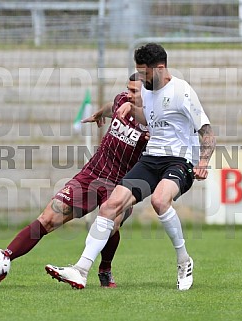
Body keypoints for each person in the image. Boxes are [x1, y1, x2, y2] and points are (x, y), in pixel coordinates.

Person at [45, 42, 216, 291]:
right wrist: (127, 109)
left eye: (145, 72)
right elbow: (151, 118)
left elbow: (207, 132)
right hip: (151, 159)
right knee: (110, 206)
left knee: (159, 201)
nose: (142, 78)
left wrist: (203, 162)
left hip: (179, 161)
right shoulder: (146, 90)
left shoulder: (182, 92)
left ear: (160, 68)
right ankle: (80, 270)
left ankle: (183, 260)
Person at [0, 73, 149, 287]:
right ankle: (3, 259)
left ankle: (104, 269)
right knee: (47, 218)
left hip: (123, 183)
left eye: (134, 91)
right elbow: (113, 106)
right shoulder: (122, 100)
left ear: (148, 91)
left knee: (110, 224)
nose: (127, 95)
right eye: (127, 89)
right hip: (92, 173)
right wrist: (99, 113)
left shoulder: (155, 120)